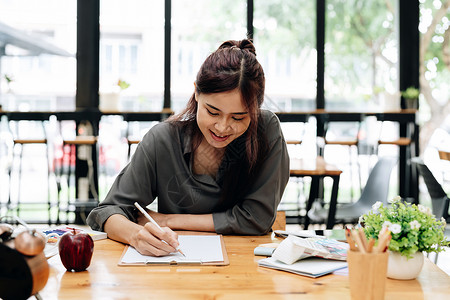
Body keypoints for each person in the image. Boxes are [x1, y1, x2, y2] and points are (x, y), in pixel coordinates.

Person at [87, 39, 290, 256]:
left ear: (256, 110)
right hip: (174, 267)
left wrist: (168, 220)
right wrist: (136, 235)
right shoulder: (162, 140)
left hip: (246, 266)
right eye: (212, 112)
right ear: (196, 92)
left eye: (238, 117)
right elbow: (107, 211)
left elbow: (257, 218)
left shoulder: (266, 131)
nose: (222, 127)